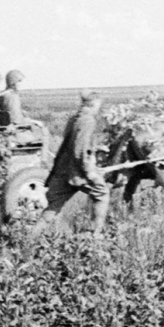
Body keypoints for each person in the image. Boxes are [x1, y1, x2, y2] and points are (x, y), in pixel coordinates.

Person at [39, 89, 109, 234]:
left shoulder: (75, 118)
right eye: (98, 105)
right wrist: (90, 173)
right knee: (102, 193)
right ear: (93, 104)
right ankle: (96, 235)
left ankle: (30, 237)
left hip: (62, 170)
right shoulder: (88, 120)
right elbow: (80, 148)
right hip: (77, 172)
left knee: (53, 207)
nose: (99, 108)